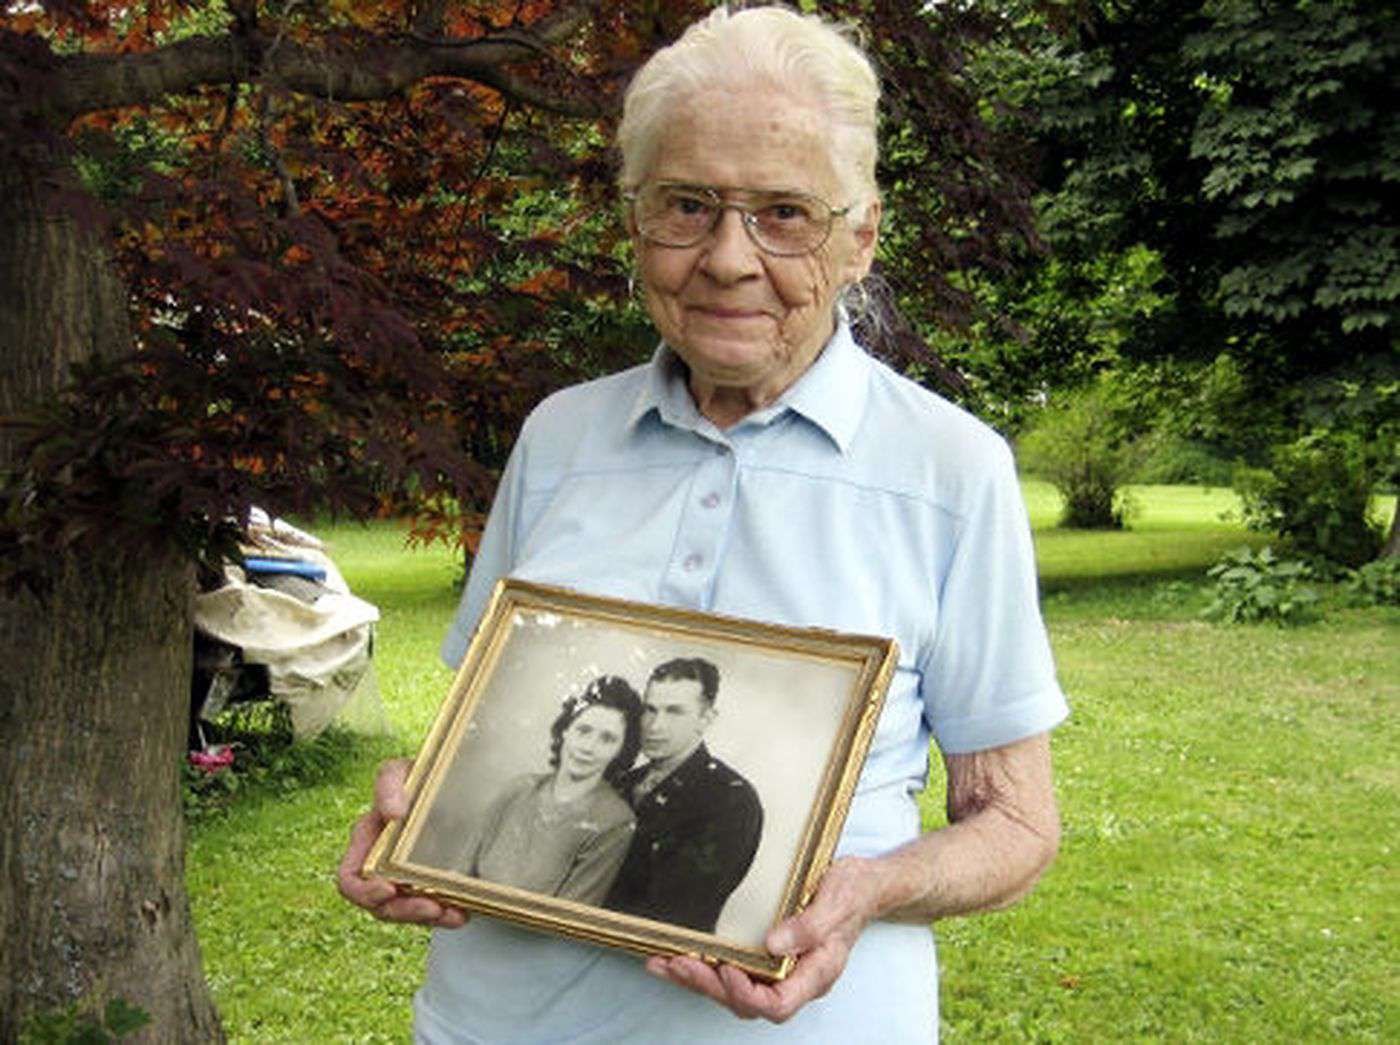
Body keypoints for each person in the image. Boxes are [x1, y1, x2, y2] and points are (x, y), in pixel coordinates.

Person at [339, 6, 1067, 1040]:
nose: (727, 258)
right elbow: (481, 740)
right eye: (687, 206)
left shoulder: (951, 471)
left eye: (783, 213)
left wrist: (863, 889)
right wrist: (413, 817)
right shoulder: (559, 436)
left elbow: (1016, 825)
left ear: (858, 236)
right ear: (634, 222)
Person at [448, 675, 643, 904]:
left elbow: (570, 914)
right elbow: (459, 872)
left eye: (607, 739)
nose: (588, 747)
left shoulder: (615, 821)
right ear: (565, 731)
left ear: (621, 750)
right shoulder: (519, 788)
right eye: (583, 731)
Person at [602, 657, 763, 932]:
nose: (654, 726)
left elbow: (678, 913)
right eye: (649, 709)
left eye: (674, 712)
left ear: (706, 719)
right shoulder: (623, 782)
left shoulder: (731, 800)